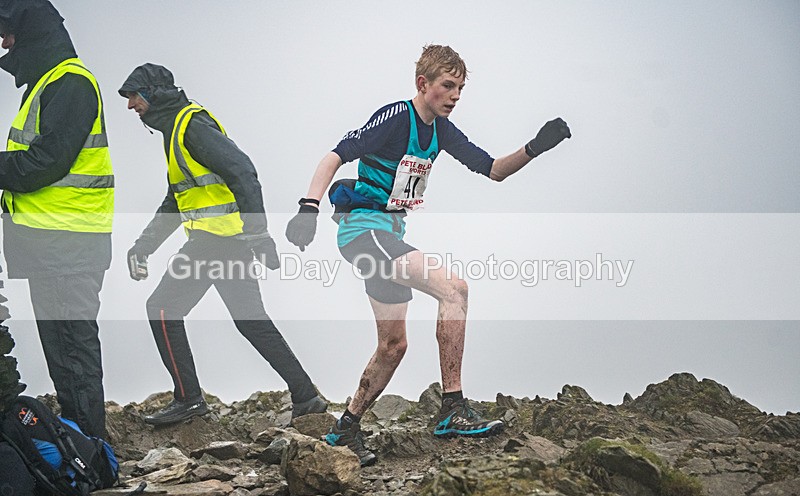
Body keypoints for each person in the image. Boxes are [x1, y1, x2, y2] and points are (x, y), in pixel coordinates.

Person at [286, 44, 570, 466]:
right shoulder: (395, 117)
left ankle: (345, 428)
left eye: (460, 88)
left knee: (393, 346)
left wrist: (535, 147)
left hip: (386, 236)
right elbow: (335, 155)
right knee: (454, 289)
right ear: (424, 84)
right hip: (365, 233)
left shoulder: (441, 131)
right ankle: (452, 407)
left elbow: (492, 169)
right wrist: (308, 207)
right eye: (447, 86)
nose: (455, 96)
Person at [119, 64, 327, 426]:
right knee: (251, 322)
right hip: (226, 243)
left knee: (162, 309)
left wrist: (259, 234)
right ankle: (306, 395)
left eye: (134, 95)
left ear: (152, 93)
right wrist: (143, 246)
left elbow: (243, 171)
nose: (130, 105)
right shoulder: (175, 131)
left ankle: (188, 399)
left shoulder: (191, 124)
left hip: (216, 242)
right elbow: (177, 199)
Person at [0, 0, 114, 439]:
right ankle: (84, 452)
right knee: (66, 356)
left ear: (32, 31)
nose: (6, 43)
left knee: (73, 354)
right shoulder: (51, 82)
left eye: (8, 33)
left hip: (68, 244)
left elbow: (45, 164)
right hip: (54, 244)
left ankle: (91, 457)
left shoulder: (71, 83)